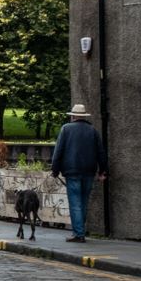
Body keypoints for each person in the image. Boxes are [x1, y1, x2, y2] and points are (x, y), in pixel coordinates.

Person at [50, 104, 107, 242]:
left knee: (75, 203)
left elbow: (58, 151)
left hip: (72, 171)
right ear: (84, 116)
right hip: (89, 171)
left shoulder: (66, 129)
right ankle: (80, 230)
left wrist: (55, 170)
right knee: (83, 202)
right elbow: (101, 152)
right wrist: (103, 171)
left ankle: (79, 234)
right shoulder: (92, 130)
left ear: (73, 116)